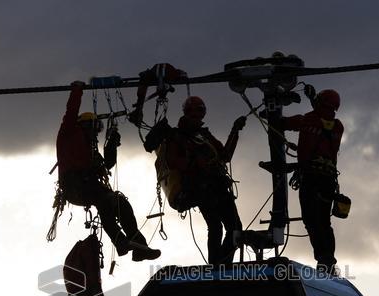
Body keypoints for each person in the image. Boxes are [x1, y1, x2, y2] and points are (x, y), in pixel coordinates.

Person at [135, 95, 246, 265]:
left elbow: (225, 156)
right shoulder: (177, 136)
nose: (196, 116)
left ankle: (221, 265)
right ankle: (217, 266)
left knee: (235, 228)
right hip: (200, 188)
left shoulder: (204, 135)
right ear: (186, 113)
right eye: (192, 112)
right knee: (216, 227)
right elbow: (173, 161)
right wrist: (196, 163)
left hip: (217, 186)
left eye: (199, 112)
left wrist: (235, 131)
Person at [56, 81, 160, 261]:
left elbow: (106, 166)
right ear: (85, 126)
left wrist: (112, 144)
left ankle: (139, 246)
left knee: (120, 203)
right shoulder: (69, 133)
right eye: (93, 129)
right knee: (105, 200)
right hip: (75, 186)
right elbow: (71, 113)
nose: (95, 134)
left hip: (90, 187)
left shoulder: (91, 152)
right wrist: (77, 91)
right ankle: (120, 241)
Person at [281, 88, 344, 271]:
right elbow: (322, 118)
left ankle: (324, 258)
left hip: (311, 178)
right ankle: (327, 260)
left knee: (311, 219)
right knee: (324, 221)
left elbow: (286, 123)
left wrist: (271, 116)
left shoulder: (308, 119)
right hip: (328, 180)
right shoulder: (338, 126)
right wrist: (313, 98)